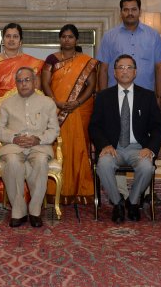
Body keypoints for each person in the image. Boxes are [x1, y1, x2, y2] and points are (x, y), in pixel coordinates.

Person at [89, 54, 161, 223]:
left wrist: (150, 148)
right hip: (113, 147)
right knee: (103, 165)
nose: (125, 71)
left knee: (146, 167)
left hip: (138, 147)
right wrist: (104, 145)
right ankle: (117, 203)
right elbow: (94, 126)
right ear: (114, 73)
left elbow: (158, 127)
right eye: (120, 67)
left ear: (135, 72)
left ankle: (133, 201)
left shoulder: (147, 96)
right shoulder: (103, 97)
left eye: (129, 67)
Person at [0, 22, 44, 202]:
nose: (11, 40)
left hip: (25, 110)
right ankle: (3, 190)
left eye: (15, 36)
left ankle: (26, 192)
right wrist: (1, 106)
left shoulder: (31, 63)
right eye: (8, 36)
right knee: (5, 149)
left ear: (20, 40)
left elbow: (37, 90)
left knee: (26, 146)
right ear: (3, 39)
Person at [0, 67, 60, 228]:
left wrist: (39, 139)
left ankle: (35, 209)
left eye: (27, 80)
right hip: (13, 147)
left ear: (35, 82)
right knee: (12, 162)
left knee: (40, 161)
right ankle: (18, 210)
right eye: (20, 81)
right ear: (16, 83)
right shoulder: (7, 104)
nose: (23, 84)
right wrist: (14, 138)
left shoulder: (48, 103)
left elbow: (54, 129)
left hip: (39, 146)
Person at [41, 24, 97, 204]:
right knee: (58, 147)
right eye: (64, 36)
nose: (67, 40)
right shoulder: (51, 59)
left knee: (78, 147)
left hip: (79, 110)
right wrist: (56, 102)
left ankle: (79, 190)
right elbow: (45, 83)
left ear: (76, 39)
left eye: (70, 37)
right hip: (55, 108)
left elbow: (91, 85)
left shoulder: (86, 61)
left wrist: (77, 102)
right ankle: (54, 189)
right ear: (60, 39)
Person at [97, 0, 161, 108]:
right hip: (115, 96)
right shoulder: (109, 36)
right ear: (121, 12)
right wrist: (104, 97)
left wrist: (159, 97)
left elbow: (160, 68)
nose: (130, 13)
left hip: (146, 96)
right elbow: (103, 69)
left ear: (140, 11)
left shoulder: (153, 35)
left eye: (134, 9)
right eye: (126, 10)